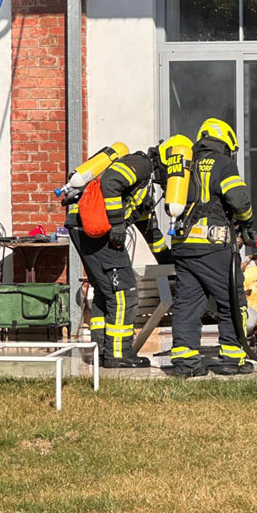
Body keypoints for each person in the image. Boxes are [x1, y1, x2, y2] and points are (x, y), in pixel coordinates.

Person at [65, 147, 171, 368]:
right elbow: (111, 182)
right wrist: (117, 224)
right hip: (96, 231)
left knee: (106, 292)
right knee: (125, 293)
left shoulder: (143, 190)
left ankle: (100, 351)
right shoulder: (141, 165)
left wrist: (171, 264)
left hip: (85, 228)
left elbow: (151, 233)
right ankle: (119, 354)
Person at [169, 118, 257, 378]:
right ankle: (233, 358)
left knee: (188, 303)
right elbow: (238, 199)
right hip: (212, 245)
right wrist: (247, 223)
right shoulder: (224, 163)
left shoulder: (185, 164)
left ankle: (185, 363)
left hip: (183, 246)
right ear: (226, 143)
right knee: (232, 300)